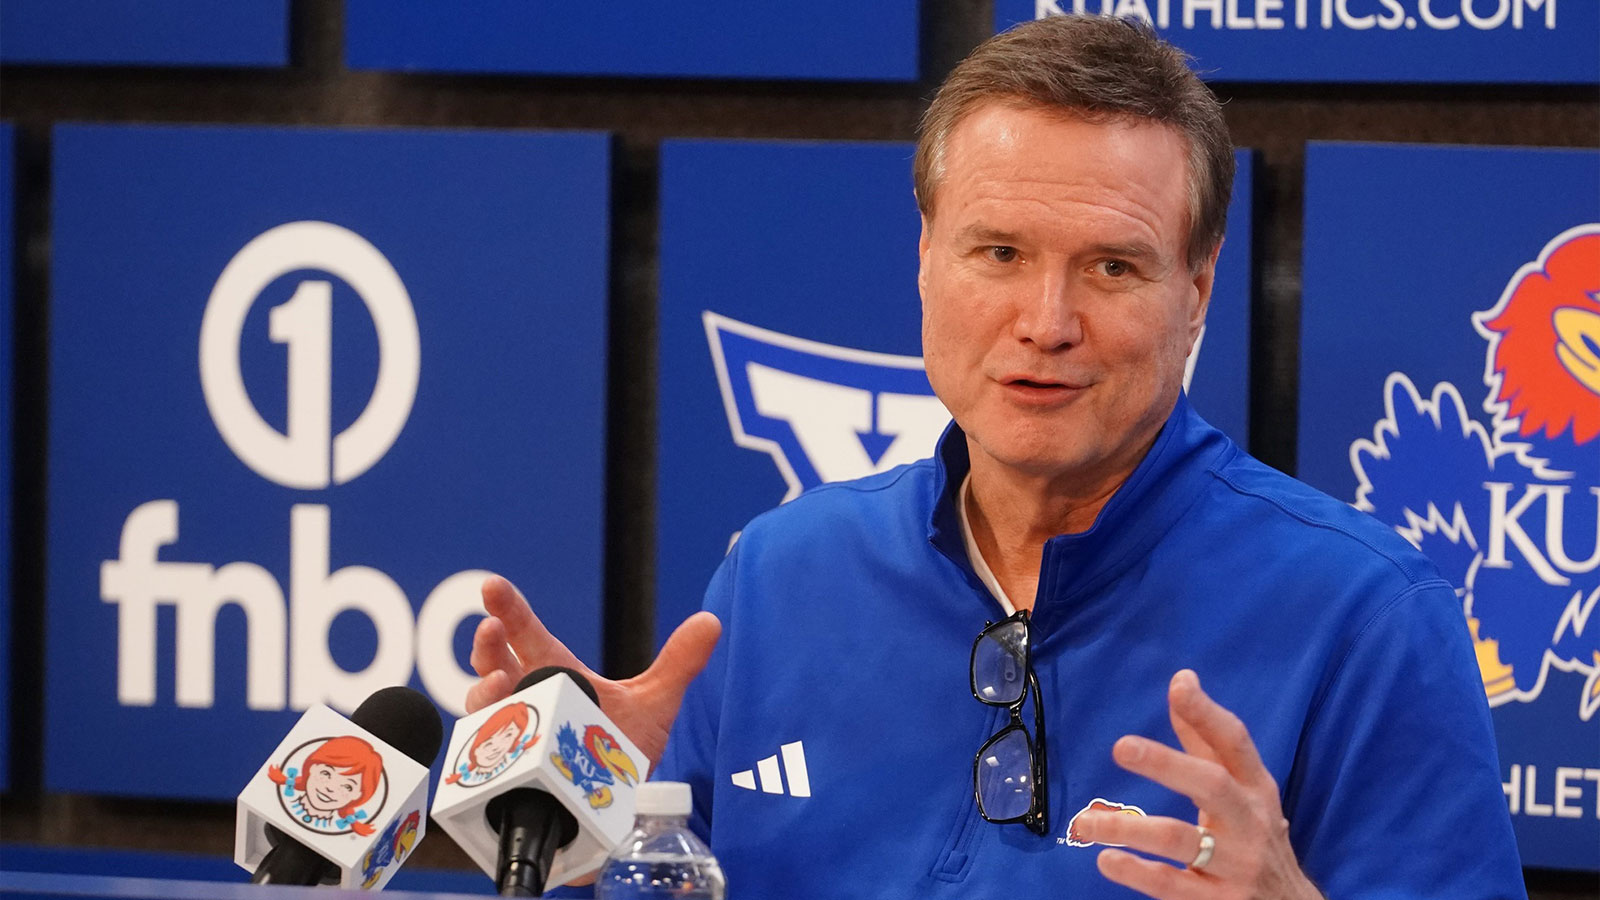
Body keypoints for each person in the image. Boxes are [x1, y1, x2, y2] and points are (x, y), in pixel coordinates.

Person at [466, 15, 1524, 898]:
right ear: (926, 257)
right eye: (1000, 254)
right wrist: (593, 831)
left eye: (1112, 267)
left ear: (1196, 292)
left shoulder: (1367, 616)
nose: (1046, 321)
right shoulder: (781, 571)